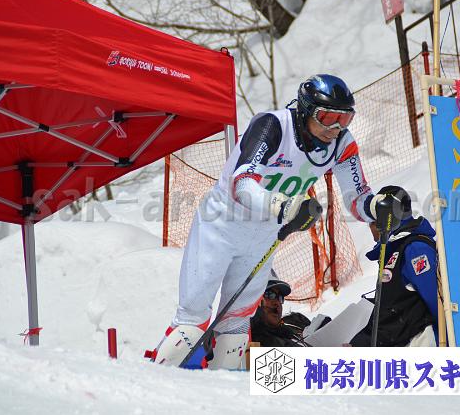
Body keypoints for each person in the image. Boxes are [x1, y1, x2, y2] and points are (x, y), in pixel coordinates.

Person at [151, 74, 401, 369]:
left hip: (263, 237)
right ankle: (158, 381)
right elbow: (242, 183)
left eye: (344, 119)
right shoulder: (273, 126)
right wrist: (283, 206)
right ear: (306, 110)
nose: (335, 128)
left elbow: (357, 197)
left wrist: (376, 207)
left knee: (235, 327)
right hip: (221, 226)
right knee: (192, 320)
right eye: (327, 118)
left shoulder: (341, 143)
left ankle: (219, 390)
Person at [350, 186, 439, 347]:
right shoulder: (394, 250)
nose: (371, 226)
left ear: (387, 217)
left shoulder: (415, 249)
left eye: (373, 220)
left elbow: (436, 300)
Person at [250, 270, 317, 347]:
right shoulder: (248, 341)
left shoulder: (286, 334)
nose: (277, 303)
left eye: (280, 297)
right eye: (270, 294)